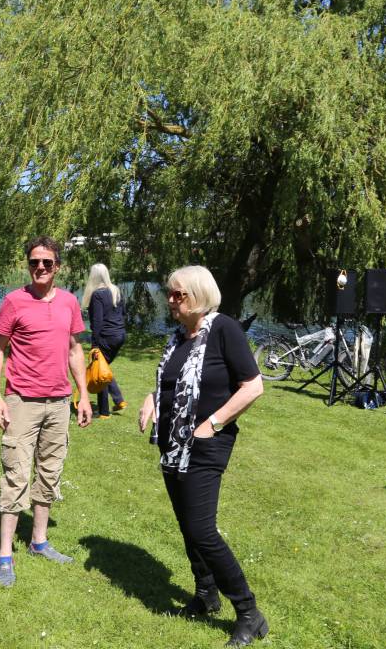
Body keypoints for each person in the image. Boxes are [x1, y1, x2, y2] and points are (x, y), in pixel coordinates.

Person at [137, 266, 268, 647]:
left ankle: (248, 612)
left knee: (202, 529)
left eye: (178, 294)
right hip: (173, 443)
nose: (171, 301)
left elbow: (253, 386)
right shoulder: (178, 337)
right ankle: (206, 594)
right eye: (170, 293)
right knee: (186, 525)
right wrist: (151, 400)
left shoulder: (224, 329)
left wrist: (214, 422)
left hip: (207, 444)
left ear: (197, 295)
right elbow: (169, 381)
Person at [0, 236, 93, 587]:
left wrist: (83, 395)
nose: (41, 268)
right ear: (28, 264)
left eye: (47, 263)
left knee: (50, 471)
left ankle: (39, 542)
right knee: (16, 474)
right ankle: (5, 554)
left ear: (58, 266)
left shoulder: (68, 302)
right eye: (35, 262)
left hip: (59, 402)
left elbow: (75, 350)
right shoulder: (14, 302)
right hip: (21, 400)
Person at [80, 263, 127, 418]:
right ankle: (119, 400)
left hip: (106, 337)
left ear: (92, 276)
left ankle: (104, 411)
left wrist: (95, 345)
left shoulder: (97, 294)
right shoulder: (116, 291)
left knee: (99, 371)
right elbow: (123, 313)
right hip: (119, 335)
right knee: (103, 367)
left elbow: (97, 323)